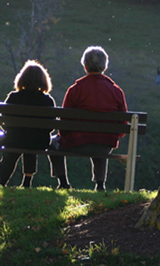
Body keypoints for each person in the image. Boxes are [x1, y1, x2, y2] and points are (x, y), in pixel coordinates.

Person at [50, 46, 128, 191]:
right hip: (105, 145)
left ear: (85, 66)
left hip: (78, 143)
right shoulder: (116, 91)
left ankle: (63, 182)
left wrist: (66, 136)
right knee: (100, 137)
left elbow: (63, 123)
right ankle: (100, 184)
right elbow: (123, 127)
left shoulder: (75, 90)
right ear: (105, 66)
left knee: (53, 142)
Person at [0, 60, 55, 187]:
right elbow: (51, 126)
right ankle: (27, 182)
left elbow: (3, 120)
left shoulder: (13, 97)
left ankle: (1, 182)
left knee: (11, 153)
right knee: (31, 142)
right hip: (39, 141)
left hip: (14, 139)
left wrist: (10, 130)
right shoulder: (47, 101)